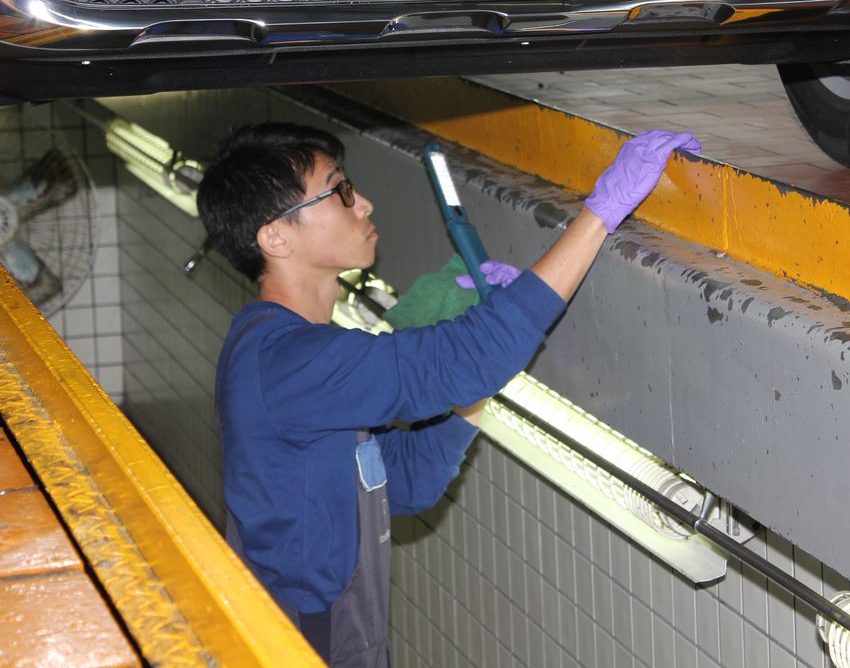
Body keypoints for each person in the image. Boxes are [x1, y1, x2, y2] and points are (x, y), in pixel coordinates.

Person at [196, 122, 700, 667]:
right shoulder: (288, 362)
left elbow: (405, 484)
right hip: (303, 646)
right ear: (276, 237)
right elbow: (464, 358)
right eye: (339, 190)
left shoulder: (285, 349)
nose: (363, 203)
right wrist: (599, 214)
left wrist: (472, 385)